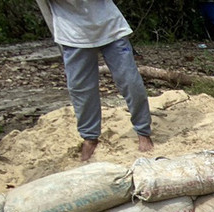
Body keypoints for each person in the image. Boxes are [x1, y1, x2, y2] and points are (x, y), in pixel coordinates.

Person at [36, 0, 154, 161]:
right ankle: (90, 138)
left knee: (130, 82)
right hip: (72, 34)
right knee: (81, 90)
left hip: (110, 26)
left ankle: (143, 132)